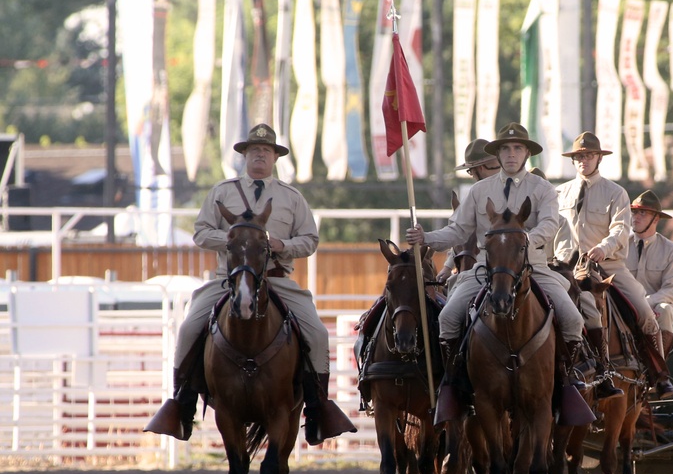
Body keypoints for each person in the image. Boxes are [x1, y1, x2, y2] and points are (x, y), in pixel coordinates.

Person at [145, 123, 355, 445]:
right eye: (254, 150)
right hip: (227, 280)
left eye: (266, 150)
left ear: (274, 158)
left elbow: (310, 240)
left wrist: (283, 246)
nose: (260, 155)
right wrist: (234, 239)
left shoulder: (291, 197)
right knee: (189, 328)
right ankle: (182, 405)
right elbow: (201, 232)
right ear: (245, 155)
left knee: (317, 331)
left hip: (276, 280)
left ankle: (317, 409)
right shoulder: (221, 192)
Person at [405, 122, 588, 423]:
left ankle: (566, 381)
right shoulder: (478, 191)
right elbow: (458, 231)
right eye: (505, 148)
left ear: (527, 153)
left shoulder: (543, 189)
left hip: (534, 267)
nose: (511, 154)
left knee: (572, 318)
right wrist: (426, 238)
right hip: (483, 271)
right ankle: (454, 383)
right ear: (498, 154)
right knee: (449, 317)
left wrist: (527, 239)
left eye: (517, 148)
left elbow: (550, 224)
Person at [554, 131, 673, 397]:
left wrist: (603, 248)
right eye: (578, 156)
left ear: (599, 157)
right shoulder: (558, 194)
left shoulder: (615, 193)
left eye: (588, 155)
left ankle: (659, 374)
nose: (582, 160)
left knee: (645, 313)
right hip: (565, 268)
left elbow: (621, 230)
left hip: (607, 267)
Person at [627, 190, 673, 358]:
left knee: (666, 310)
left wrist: (646, 303)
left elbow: (671, 290)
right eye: (634, 212)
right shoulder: (620, 246)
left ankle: (659, 368)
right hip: (624, 305)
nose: (636, 217)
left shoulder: (671, 251)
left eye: (642, 213)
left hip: (656, 307)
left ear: (656, 219)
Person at [436, 139, 502, 285]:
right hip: (480, 267)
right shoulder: (474, 195)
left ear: (481, 168)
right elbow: (461, 233)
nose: (471, 175)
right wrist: (448, 267)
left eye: (471, 171)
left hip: (513, 265)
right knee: (452, 288)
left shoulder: (513, 187)